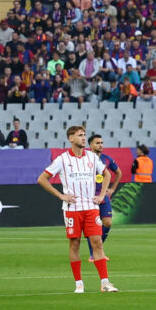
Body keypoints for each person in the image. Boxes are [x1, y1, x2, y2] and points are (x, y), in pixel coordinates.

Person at [35, 125, 117, 293]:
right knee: (75, 244)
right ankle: (79, 284)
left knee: (97, 243)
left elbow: (107, 174)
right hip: (72, 209)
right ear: (71, 138)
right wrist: (61, 195)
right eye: (80, 135)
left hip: (91, 207)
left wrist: (102, 195)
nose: (84, 138)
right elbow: (42, 179)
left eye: (84, 135)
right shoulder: (62, 159)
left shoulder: (92, 157)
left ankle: (105, 283)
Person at [87, 133, 121, 246]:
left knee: (108, 223)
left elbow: (118, 173)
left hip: (102, 195)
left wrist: (112, 189)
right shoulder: (85, 159)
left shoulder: (107, 159)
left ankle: (98, 247)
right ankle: (95, 251)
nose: (101, 145)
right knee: (92, 225)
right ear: (91, 145)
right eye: (97, 143)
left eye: (101, 143)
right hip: (90, 196)